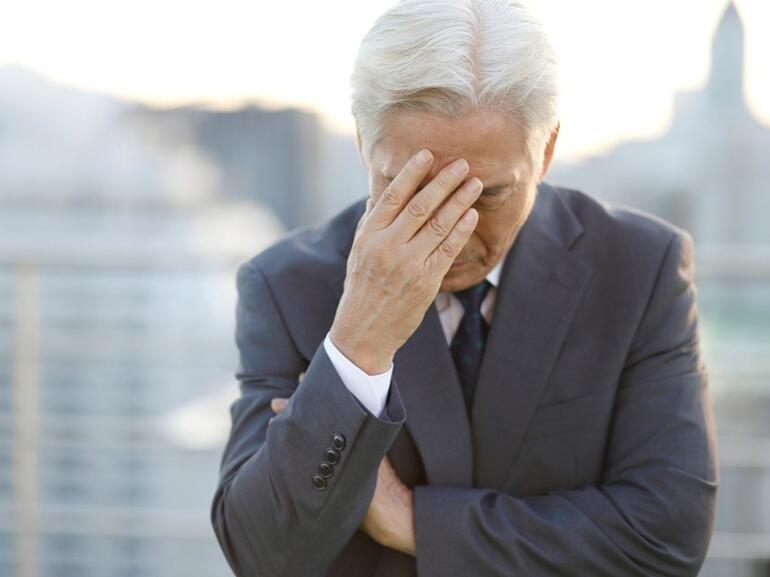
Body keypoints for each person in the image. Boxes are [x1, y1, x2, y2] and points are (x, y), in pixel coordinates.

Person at [210, 1, 719, 575]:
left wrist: (415, 523)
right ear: (362, 143)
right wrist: (356, 345)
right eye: (410, 186)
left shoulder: (640, 268)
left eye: (489, 194)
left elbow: (666, 541)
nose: (448, 230)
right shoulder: (285, 285)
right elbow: (260, 556)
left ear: (547, 150)